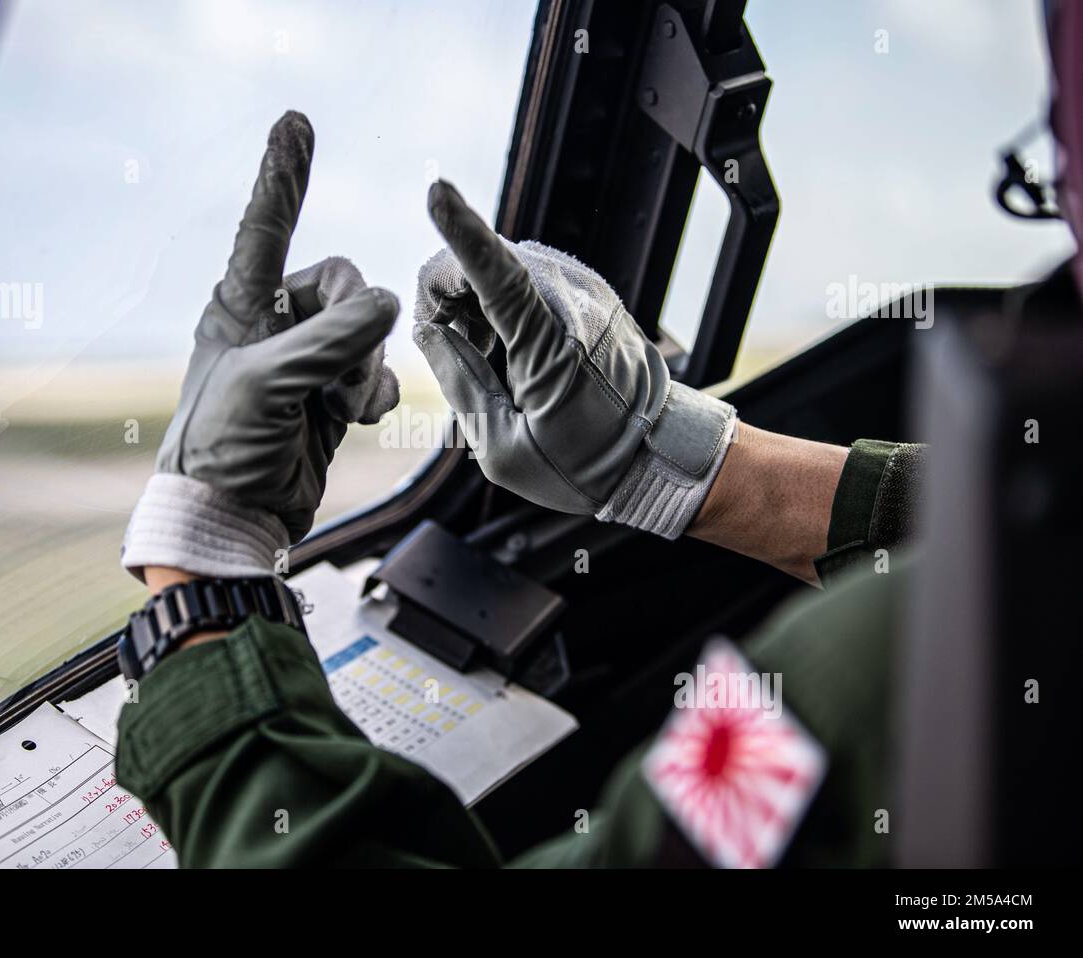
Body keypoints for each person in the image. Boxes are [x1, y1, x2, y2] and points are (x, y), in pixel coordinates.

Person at [112, 1, 1081, 867]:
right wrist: (674, 459)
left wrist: (203, 570)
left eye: (1052, 178)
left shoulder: (868, 677)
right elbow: (955, 545)